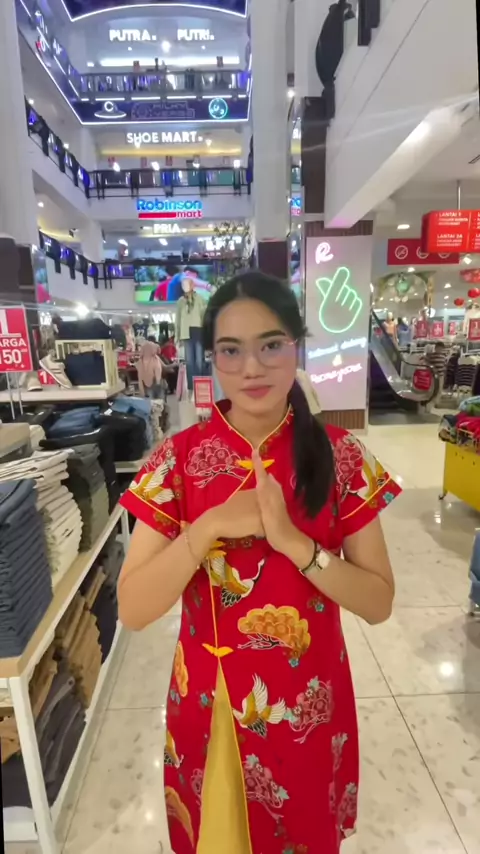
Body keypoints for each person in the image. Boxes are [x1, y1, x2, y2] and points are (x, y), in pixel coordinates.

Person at [118, 271, 400, 854]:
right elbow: (133, 609)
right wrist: (209, 527)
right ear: (212, 360)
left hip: (305, 709)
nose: (252, 368)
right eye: (231, 350)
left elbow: (378, 603)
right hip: (209, 705)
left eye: (271, 345)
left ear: (297, 346)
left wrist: (297, 545)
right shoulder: (177, 461)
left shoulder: (341, 457)